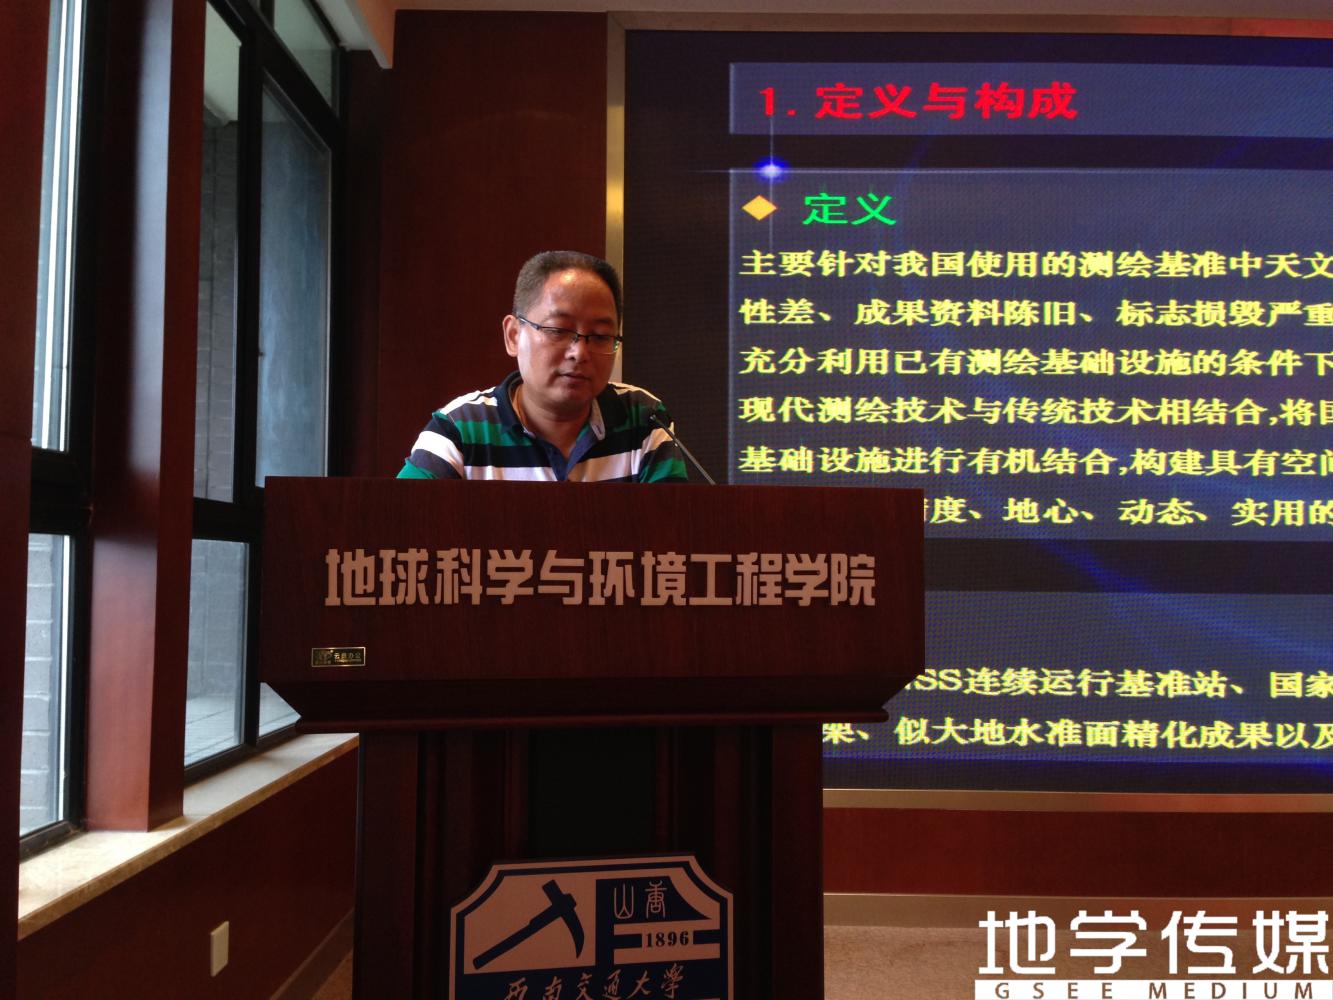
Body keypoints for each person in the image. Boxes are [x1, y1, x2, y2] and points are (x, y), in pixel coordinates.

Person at [398, 250, 687, 482]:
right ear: (513, 336)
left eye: (600, 336)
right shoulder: (460, 429)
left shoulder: (643, 419)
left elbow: (672, 529)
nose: (579, 353)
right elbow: (398, 526)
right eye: (558, 330)